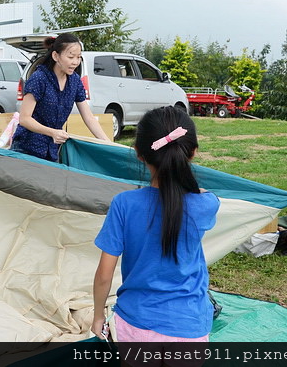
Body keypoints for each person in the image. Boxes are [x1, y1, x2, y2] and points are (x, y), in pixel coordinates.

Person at [91, 106, 220, 342]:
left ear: (139, 153)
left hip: (135, 324)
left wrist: (98, 314)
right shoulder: (207, 204)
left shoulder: (124, 204)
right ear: (192, 153)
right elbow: (199, 192)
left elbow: (103, 275)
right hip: (189, 326)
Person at [10, 33, 109, 161]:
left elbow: (89, 117)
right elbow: (24, 119)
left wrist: (106, 142)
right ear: (56, 56)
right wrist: (52, 132)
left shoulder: (75, 81)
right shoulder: (39, 78)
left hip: (52, 151)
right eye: (71, 57)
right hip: (27, 149)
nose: (75, 62)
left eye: (78, 57)